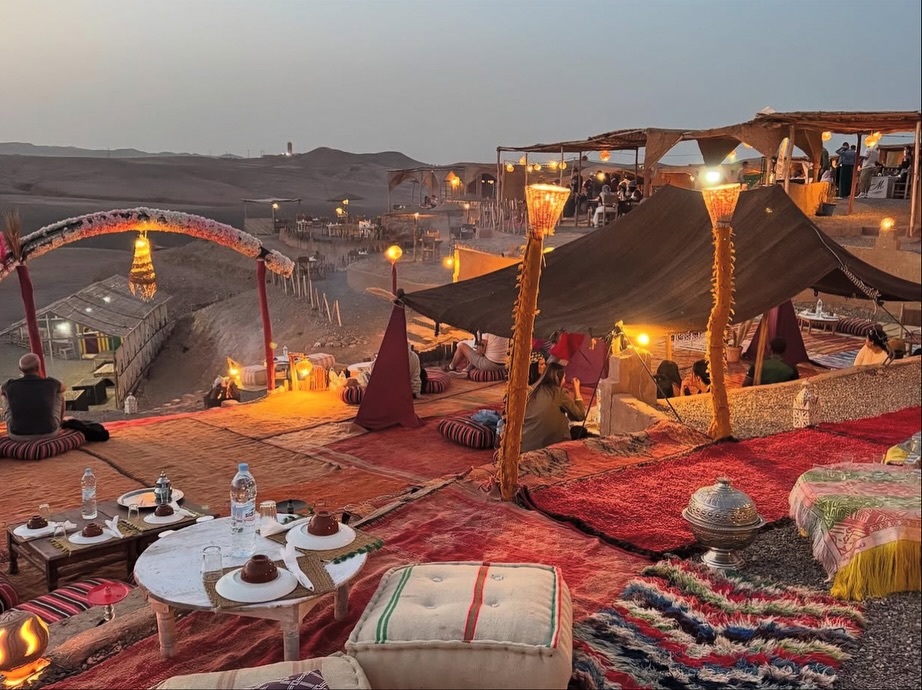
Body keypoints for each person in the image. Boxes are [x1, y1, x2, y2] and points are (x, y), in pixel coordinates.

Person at [521, 362, 586, 452]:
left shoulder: (530, 390)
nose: (564, 381)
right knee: (581, 432)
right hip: (549, 447)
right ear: (558, 378)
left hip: (525, 446)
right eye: (564, 378)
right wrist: (577, 391)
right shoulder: (558, 393)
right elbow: (579, 415)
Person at [1, 353, 66, 441]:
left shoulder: (10, 385)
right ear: (38, 367)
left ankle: (11, 425)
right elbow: (63, 388)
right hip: (50, 433)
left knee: (4, 395)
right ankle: (60, 423)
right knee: (59, 392)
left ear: (20, 369)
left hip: (17, 435)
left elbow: (1, 390)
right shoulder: (51, 383)